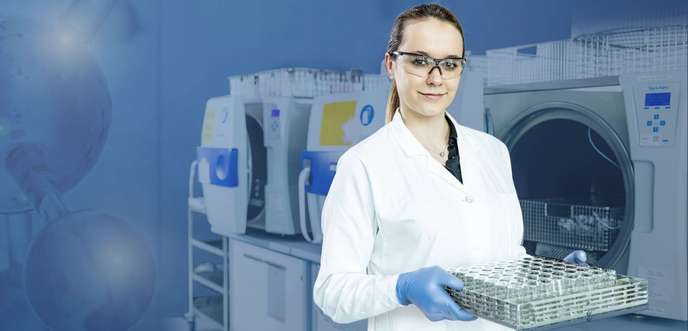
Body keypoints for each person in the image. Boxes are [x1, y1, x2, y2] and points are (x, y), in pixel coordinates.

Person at [313, 4, 586, 331]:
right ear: (390, 65)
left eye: (450, 64)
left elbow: (505, 258)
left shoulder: (492, 152)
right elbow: (333, 292)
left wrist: (549, 276)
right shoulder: (363, 164)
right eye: (419, 61)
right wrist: (401, 288)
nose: (435, 78)